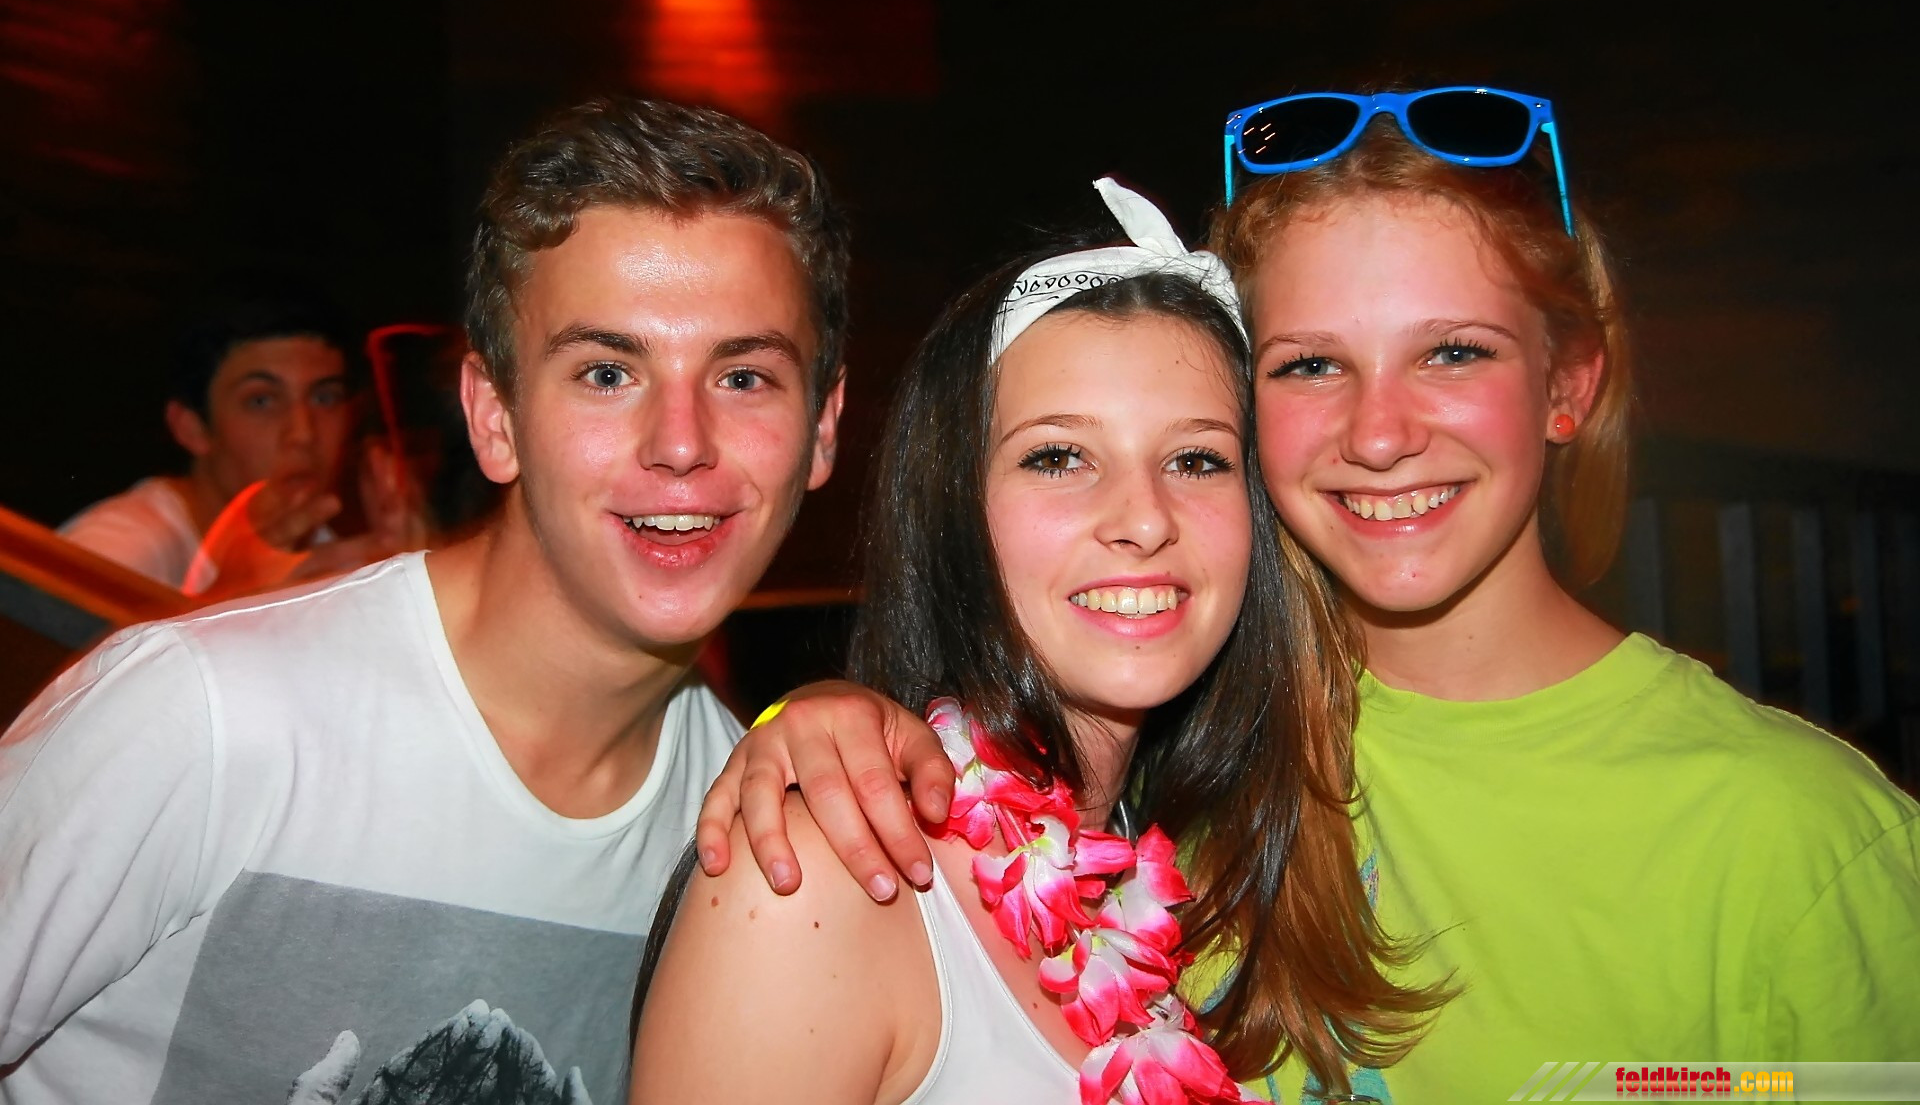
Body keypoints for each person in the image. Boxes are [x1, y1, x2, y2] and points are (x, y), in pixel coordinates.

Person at [696, 89, 1920, 1101]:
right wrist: (825, 716)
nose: (1380, 433)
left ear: (1569, 384)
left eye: (1454, 350)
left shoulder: (1800, 835)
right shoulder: (1197, 740)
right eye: (1313, 364)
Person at [0, 96, 848, 1105]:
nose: (679, 442)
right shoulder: (206, 716)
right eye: (606, 371)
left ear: (823, 428)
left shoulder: (741, 835)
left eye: (744, 377)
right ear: (494, 418)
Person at [631, 181, 1436, 1105]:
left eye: (1196, 459)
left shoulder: (1176, 875)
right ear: (955, 511)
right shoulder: (820, 880)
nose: (1144, 519)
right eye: (1058, 456)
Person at [55, 293, 385, 596]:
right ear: (191, 428)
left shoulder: (330, 549)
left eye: (325, 398)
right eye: (261, 401)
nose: (303, 433)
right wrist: (227, 599)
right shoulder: (120, 548)